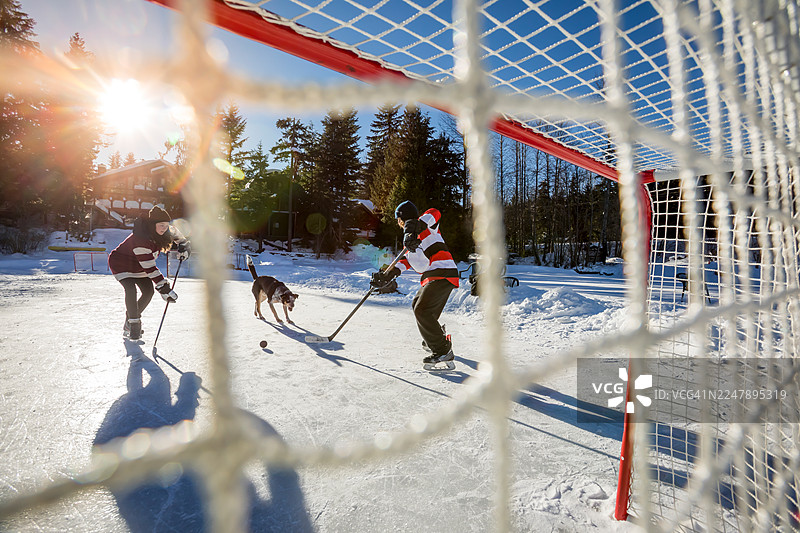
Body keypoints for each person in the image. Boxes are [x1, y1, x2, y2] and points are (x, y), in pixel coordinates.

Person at [371, 200, 459, 368]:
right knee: (418, 305)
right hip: (434, 277)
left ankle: (443, 351)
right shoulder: (409, 242)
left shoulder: (426, 226)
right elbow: (405, 262)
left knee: (422, 310)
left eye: (399, 220)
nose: (398, 223)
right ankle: (434, 339)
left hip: (443, 272)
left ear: (402, 219)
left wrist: (411, 228)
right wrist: (386, 275)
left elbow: (435, 211)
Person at [108, 206, 190, 341]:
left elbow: (176, 234)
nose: (165, 228)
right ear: (152, 225)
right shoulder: (141, 241)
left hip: (140, 266)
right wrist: (164, 287)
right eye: (161, 225)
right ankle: (134, 323)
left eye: (166, 225)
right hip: (121, 263)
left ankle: (129, 322)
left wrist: (183, 245)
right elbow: (150, 268)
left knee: (148, 291)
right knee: (130, 289)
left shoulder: (165, 231)